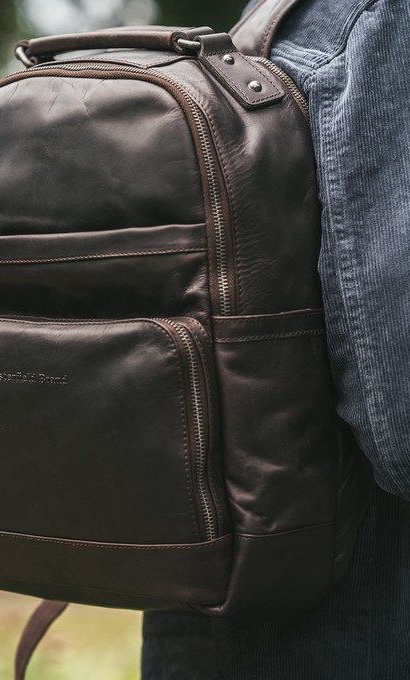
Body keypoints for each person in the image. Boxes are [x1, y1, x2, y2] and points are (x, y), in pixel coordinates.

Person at [141, 0, 410, 677]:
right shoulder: (386, 26)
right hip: (349, 628)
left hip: (238, 608)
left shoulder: (292, 21)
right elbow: (400, 416)